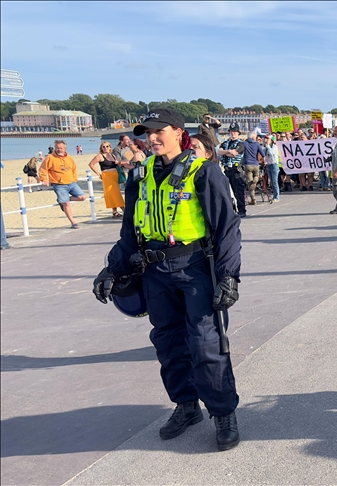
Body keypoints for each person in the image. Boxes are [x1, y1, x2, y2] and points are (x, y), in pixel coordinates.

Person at [92, 108, 242, 451]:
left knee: (205, 344)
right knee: (168, 343)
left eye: (159, 131)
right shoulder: (140, 175)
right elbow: (130, 230)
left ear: (178, 131)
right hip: (154, 273)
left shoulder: (203, 171)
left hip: (194, 269)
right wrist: (112, 268)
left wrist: (229, 276)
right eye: (147, 132)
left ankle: (222, 413)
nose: (152, 137)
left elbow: (227, 228)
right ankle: (187, 406)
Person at [38, 140, 86, 229]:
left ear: (65, 148)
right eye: (57, 148)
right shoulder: (50, 157)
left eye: (61, 148)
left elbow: (74, 169)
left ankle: (62, 200)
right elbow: (43, 169)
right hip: (59, 184)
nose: (59, 150)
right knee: (66, 204)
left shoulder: (69, 158)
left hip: (71, 182)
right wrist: (44, 179)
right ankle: (73, 222)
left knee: (82, 197)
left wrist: (75, 178)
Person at [217, 123, 247, 217]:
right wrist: (228, 152)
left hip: (236, 170)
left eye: (234, 132)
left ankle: (241, 210)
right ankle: (230, 211)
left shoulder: (241, 144)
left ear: (238, 133)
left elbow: (234, 153)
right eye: (231, 131)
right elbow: (218, 152)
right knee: (227, 192)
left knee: (238, 192)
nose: (233, 133)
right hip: (226, 170)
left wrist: (225, 152)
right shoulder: (225, 143)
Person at [88, 141, 124, 217]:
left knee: (114, 193)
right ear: (101, 148)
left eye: (107, 146)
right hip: (107, 176)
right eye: (103, 147)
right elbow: (91, 164)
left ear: (110, 147)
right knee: (114, 193)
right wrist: (98, 174)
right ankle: (124, 209)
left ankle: (115, 212)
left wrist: (118, 162)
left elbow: (118, 165)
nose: (105, 148)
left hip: (115, 176)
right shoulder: (100, 156)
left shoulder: (113, 155)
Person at [241, 132, 266, 204]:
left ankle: (253, 199)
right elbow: (263, 155)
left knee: (249, 182)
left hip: (248, 164)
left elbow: (241, 152)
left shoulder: (245, 143)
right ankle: (256, 179)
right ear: (253, 137)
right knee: (256, 175)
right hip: (255, 164)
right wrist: (264, 162)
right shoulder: (257, 144)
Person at [262, 135, 281, 202]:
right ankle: (274, 196)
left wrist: (267, 146)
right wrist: (264, 145)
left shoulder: (274, 147)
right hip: (268, 165)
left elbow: (272, 153)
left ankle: (277, 197)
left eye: (268, 139)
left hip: (274, 165)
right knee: (272, 182)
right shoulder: (266, 147)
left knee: (275, 181)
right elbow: (262, 153)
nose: (267, 140)